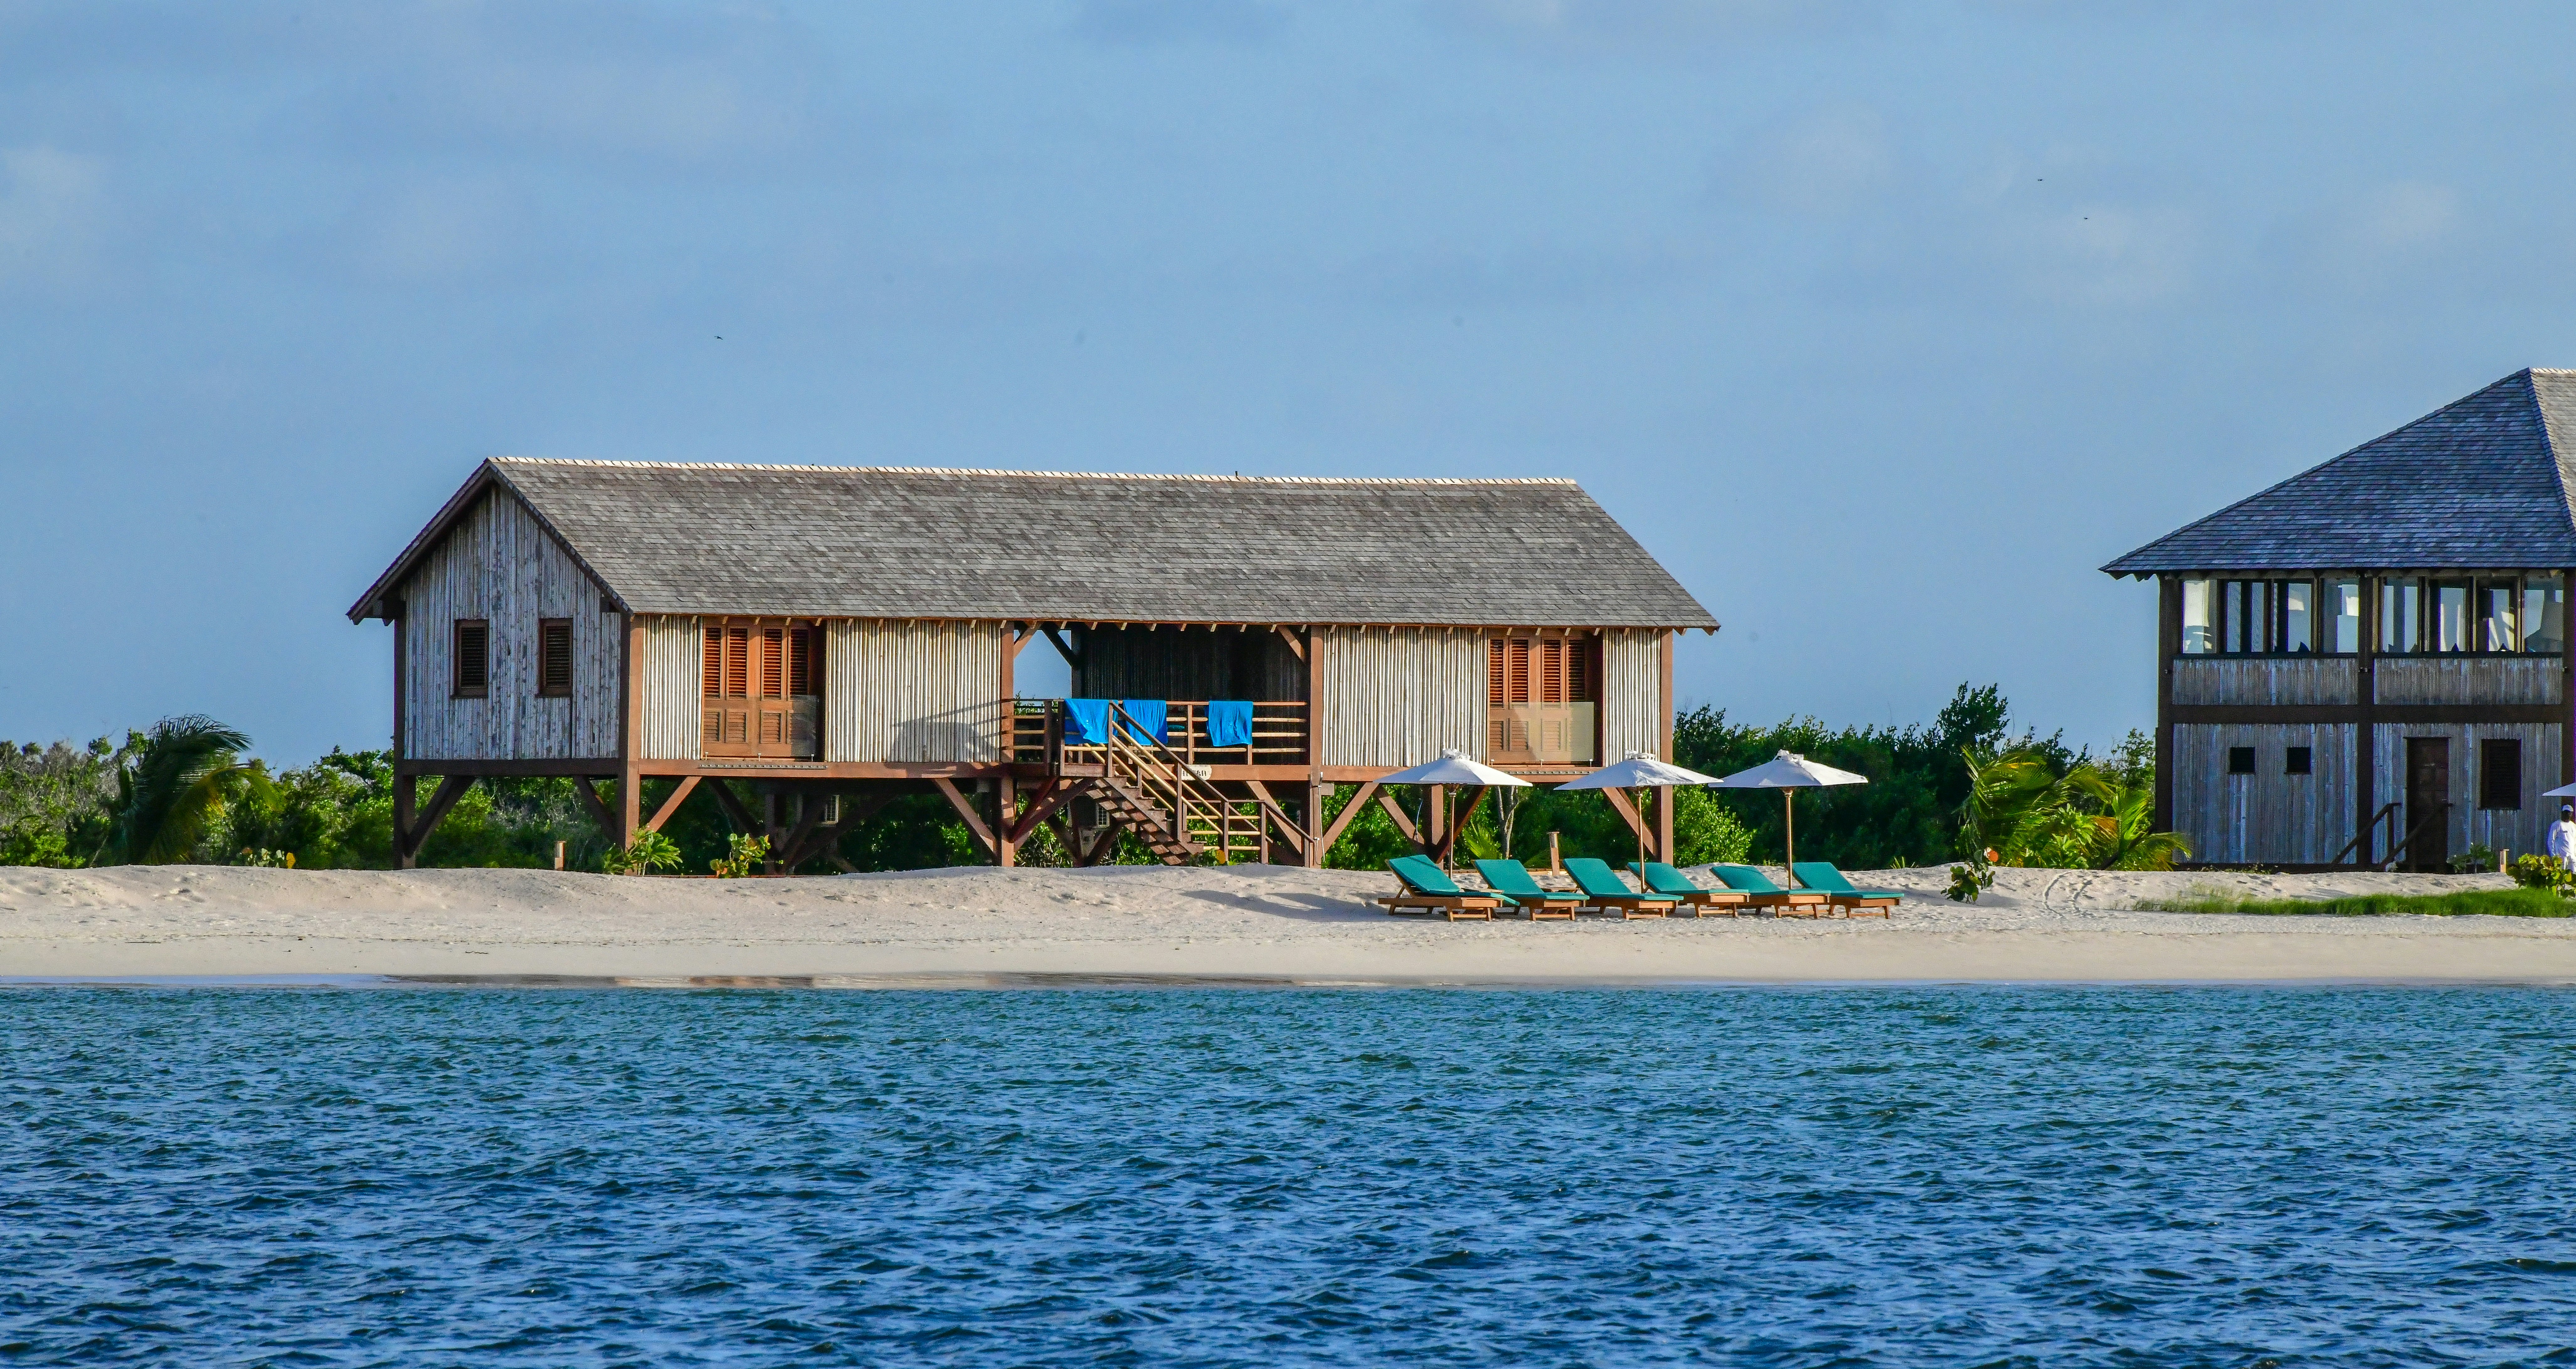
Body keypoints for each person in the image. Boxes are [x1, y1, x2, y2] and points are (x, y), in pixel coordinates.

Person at [2549, 805, 2576, 877]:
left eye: (2570, 813)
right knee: (2561, 876)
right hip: (2562, 856)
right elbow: (2551, 840)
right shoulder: (2557, 825)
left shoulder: (2573, 826)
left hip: (2572, 856)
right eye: (2566, 813)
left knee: (2573, 876)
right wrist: (2553, 855)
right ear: (2563, 813)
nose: (2568, 815)